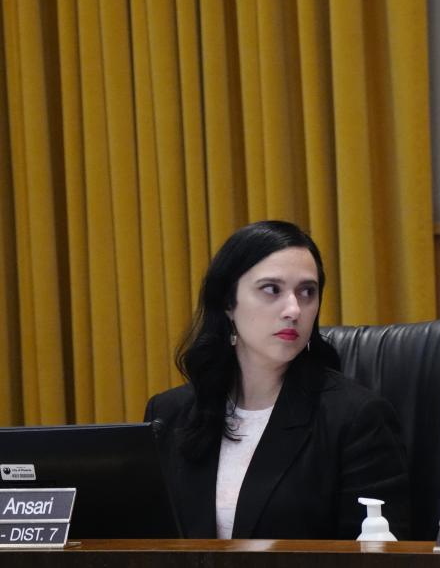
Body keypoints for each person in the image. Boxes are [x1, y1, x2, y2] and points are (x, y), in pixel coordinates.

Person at [145, 220, 410, 540]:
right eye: (271, 289)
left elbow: (380, 555)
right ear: (228, 303)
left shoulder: (357, 419)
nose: (294, 309)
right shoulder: (169, 414)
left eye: (307, 292)